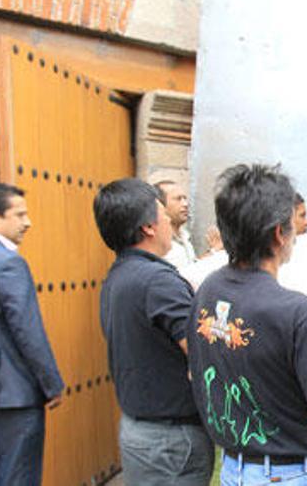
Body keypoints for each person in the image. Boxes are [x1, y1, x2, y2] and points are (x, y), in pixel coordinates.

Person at [187, 164, 307, 485]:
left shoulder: (207, 291)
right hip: (289, 475)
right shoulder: (301, 314)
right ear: (278, 233)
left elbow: (196, 372)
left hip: (234, 471)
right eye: (293, 223)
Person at [93, 179, 214, 485]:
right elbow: (202, 353)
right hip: (169, 441)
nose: (168, 221)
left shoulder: (119, 275)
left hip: (143, 431)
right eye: (163, 212)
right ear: (148, 227)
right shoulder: (157, 281)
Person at [0, 182, 64, 485]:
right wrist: (52, 384)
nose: (27, 222)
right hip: (12, 392)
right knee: (18, 477)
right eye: (19, 214)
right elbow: (27, 330)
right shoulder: (7, 262)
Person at [153, 180, 222, 270]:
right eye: (178, 199)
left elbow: (191, 268)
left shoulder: (184, 235)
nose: (185, 204)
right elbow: (184, 276)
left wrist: (212, 250)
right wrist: (214, 251)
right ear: (160, 204)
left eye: (185, 198)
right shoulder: (158, 240)